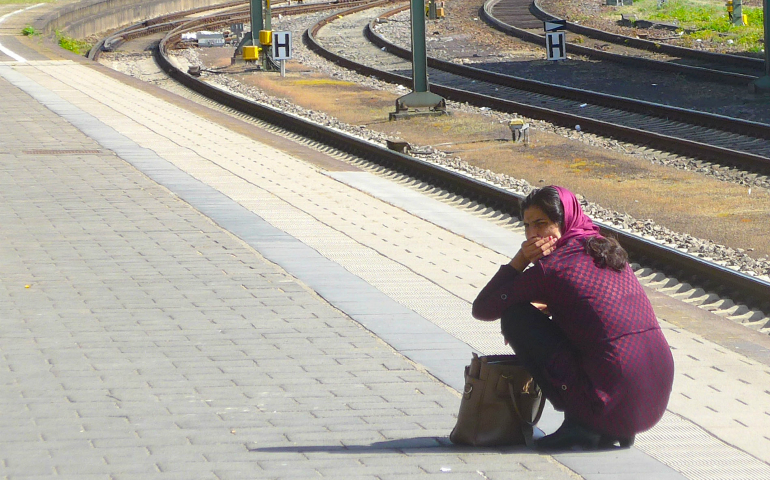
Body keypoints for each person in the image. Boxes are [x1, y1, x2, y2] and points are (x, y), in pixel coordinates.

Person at [472, 186, 674, 450]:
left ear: (564, 221)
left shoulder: (551, 268)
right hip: (653, 397)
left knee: (516, 317)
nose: (532, 235)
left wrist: (521, 259)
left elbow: (483, 308)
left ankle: (581, 425)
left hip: (609, 398)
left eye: (541, 224)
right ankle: (613, 428)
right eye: (526, 226)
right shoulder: (606, 248)